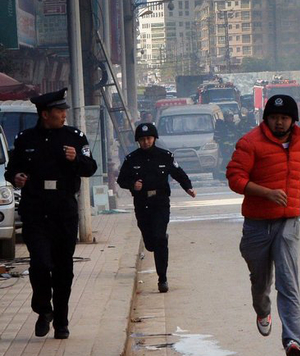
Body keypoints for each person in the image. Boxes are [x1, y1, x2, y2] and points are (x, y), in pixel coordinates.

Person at [226, 94, 300, 356]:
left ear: (293, 120)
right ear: (266, 119)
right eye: (274, 117)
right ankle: (262, 309)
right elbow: (234, 178)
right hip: (257, 225)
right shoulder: (250, 143)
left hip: (288, 221)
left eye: (284, 118)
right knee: (260, 282)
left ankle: (293, 341)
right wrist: (266, 193)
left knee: (289, 282)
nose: (279, 122)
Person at [4, 88, 98, 339]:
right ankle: (43, 309)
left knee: (63, 269)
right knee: (40, 264)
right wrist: (16, 177)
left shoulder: (74, 137)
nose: (64, 114)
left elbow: (90, 168)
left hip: (64, 211)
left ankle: (62, 321)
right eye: (59, 111)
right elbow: (11, 169)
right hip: (36, 209)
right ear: (45, 114)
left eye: (65, 110)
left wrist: (75, 158)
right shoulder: (26, 139)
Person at [117, 123, 196, 292]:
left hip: (160, 202)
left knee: (159, 238)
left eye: (149, 138)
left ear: (154, 139)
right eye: (142, 139)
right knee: (150, 243)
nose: (146, 142)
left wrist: (188, 187)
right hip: (142, 204)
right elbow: (121, 180)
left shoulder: (165, 156)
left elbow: (178, 173)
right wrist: (132, 184)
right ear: (138, 141)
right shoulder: (132, 159)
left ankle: (163, 278)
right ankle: (154, 241)